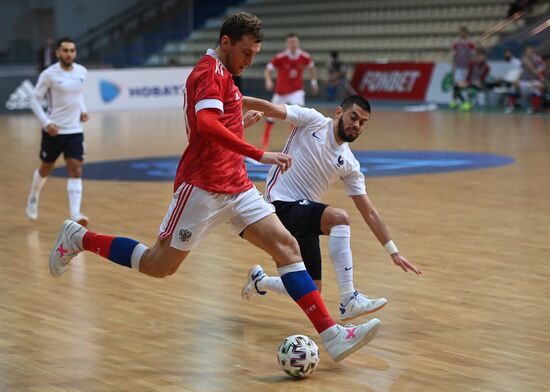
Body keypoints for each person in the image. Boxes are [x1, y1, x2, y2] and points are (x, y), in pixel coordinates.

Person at [48, 12, 380, 363]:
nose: (250, 61)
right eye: (246, 53)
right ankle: (78, 239)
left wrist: (239, 124)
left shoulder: (226, 76)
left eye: (255, 54)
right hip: (203, 187)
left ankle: (332, 335)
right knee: (159, 265)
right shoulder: (208, 73)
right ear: (226, 43)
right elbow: (205, 125)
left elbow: (218, 124)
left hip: (237, 185)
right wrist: (258, 153)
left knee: (287, 248)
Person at [240, 95, 422, 321]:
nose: (357, 125)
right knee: (339, 218)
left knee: (312, 290)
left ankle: (261, 281)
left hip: (304, 213)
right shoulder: (313, 120)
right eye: (353, 117)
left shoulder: (350, 163)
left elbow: (370, 212)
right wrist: (234, 97)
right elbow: (270, 108)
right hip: (280, 205)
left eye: (363, 122)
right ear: (339, 113)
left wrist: (393, 252)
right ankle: (349, 299)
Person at [27, 37, 89, 226]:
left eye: (72, 50)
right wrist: (46, 123)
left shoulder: (82, 71)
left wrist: (83, 110)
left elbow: (78, 96)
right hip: (54, 131)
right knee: (46, 168)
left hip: (75, 130)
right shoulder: (49, 74)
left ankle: (76, 213)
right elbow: (34, 99)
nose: (68, 53)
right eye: (65, 50)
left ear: (75, 53)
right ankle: (33, 195)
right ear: (58, 53)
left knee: (75, 168)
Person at [262, 33, 318, 150]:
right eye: (291, 42)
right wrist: (268, 80)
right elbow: (268, 69)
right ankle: (265, 141)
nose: (293, 44)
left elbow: (312, 68)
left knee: (298, 115)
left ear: (298, 43)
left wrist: (314, 82)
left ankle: (292, 142)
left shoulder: (305, 57)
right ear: (287, 44)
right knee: (270, 115)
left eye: (295, 42)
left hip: (296, 91)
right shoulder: (280, 57)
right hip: (281, 91)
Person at [506, 45, 545, 114]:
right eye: (527, 51)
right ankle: (511, 107)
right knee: (513, 87)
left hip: (535, 81)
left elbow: (538, 74)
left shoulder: (538, 60)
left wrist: (530, 65)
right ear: (525, 52)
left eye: (531, 51)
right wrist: (516, 80)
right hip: (524, 81)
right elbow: (521, 71)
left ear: (533, 51)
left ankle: (535, 108)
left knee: (537, 90)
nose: (529, 52)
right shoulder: (523, 59)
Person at [450, 26, 476, 109]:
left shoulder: (471, 42)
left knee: (466, 85)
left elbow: (473, 55)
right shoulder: (455, 42)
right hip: (458, 67)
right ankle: (454, 101)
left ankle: (467, 103)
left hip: (467, 67)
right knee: (456, 85)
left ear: (466, 32)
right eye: (459, 32)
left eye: (462, 32)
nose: (461, 33)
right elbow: (453, 55)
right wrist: (453, 66)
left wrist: (472, 67)